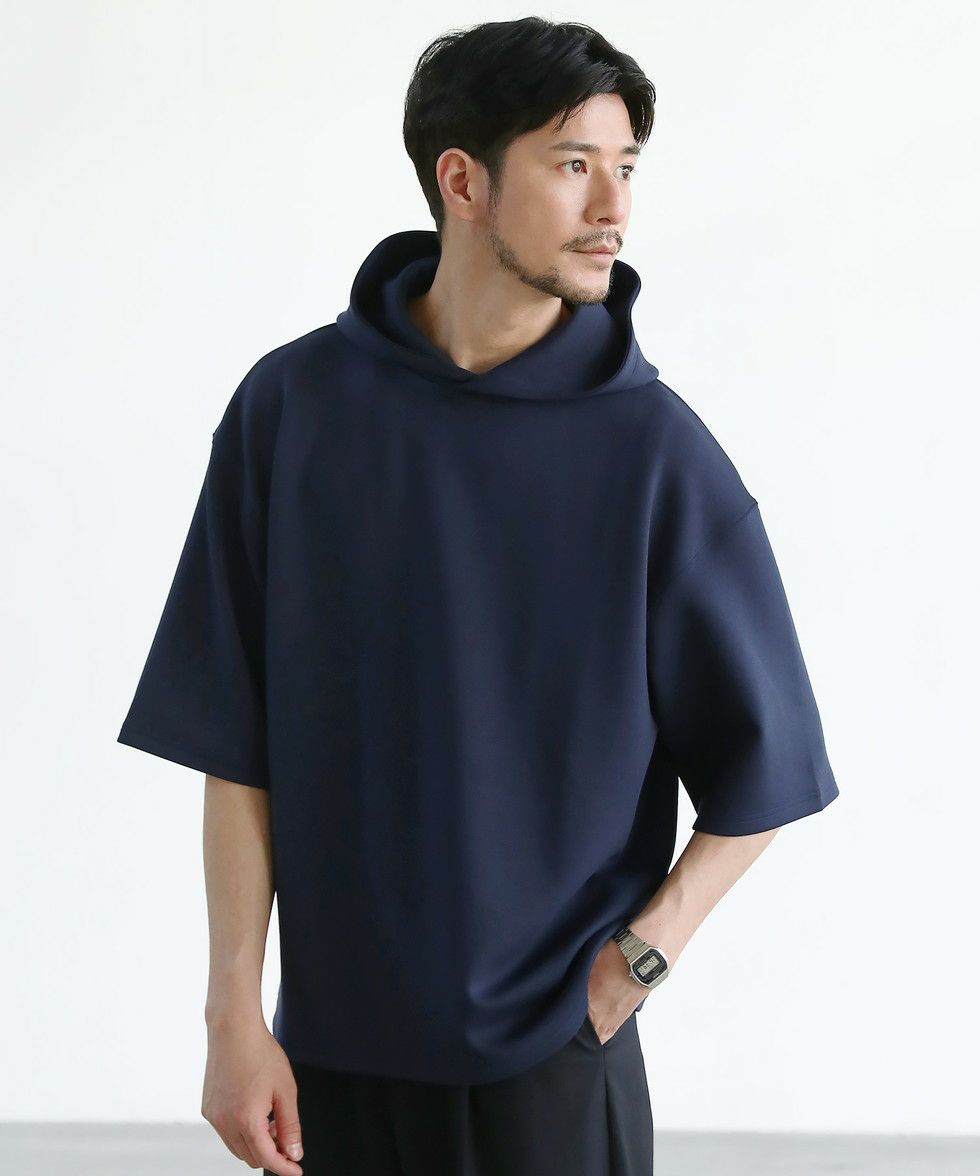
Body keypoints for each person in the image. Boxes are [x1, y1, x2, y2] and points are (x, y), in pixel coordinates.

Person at [117, 16, 840, 1176]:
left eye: (625, 167)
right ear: (461, 181)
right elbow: (235, 746)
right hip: (331, 1063)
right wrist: (231, 1019)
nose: (612, 206)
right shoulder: (292, 412)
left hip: (553, 1065)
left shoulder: (654, 454)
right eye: (572, 164)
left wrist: (629, 969)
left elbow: (769, 767)